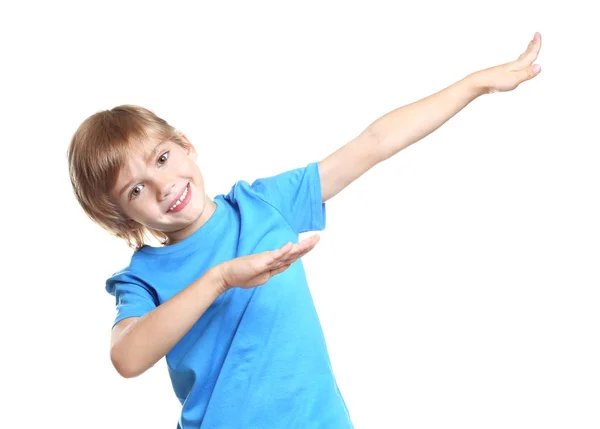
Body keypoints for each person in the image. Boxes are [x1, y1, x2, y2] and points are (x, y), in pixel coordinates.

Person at [67, 32, 542, 429]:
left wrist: (477, 84)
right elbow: (126, 357)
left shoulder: (264, 205)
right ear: (124, 218)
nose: (164, 186)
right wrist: (221, 279)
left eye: (163, 158)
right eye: (136, 190)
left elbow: (375, 142)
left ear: (186, 145)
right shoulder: (143, 277)